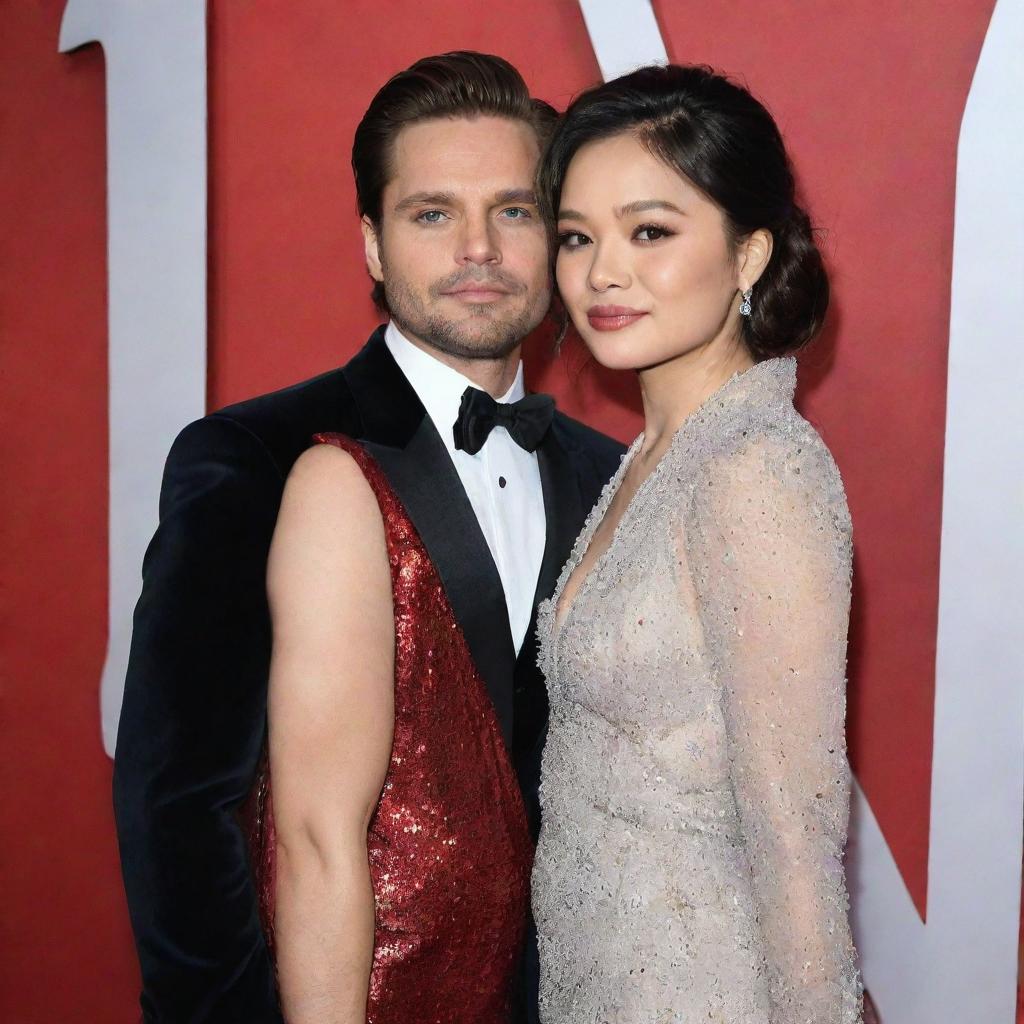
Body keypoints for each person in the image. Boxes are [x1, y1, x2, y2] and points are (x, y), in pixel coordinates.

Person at [113, 51, 623, 1024]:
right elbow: (175, 802)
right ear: (374, 245)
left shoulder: (609, 477)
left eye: (512, 211)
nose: (477, 248)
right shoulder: (253, 458)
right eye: (432, 213)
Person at [530, 64, 863, 1023]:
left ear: (750, 253)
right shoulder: (655, 459)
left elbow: (795, 838)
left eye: (650, 232)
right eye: (577, 238)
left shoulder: (754, 468)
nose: (603, 273)